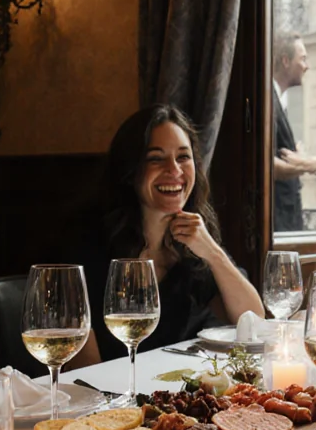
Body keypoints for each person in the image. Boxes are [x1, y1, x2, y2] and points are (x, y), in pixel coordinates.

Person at [80, 104, 264, 362]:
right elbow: (81, 372)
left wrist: (211, 251)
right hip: (113, 396)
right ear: (130, 169)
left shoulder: (192, 249)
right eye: (156, 158)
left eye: (183, 157)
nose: (174, 170)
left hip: (176, 392)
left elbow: (253, 321)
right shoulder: (91, 243)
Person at [272, 32, 316, 231]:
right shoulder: (269, 101)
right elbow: (265, 164)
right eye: (302, 59)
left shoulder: (277, 100)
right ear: (286, 61)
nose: (306, 66)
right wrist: (308, 165)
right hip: (278, 220)